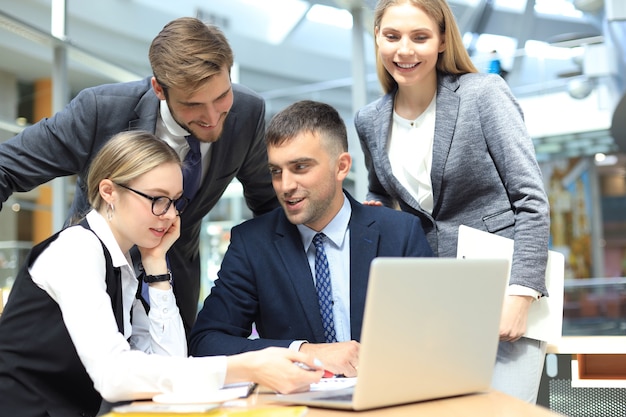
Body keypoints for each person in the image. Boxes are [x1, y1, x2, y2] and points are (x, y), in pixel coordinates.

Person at [0, 131, 323, 417]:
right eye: (157, 199)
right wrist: (242, 367)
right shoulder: (77, 250)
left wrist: (156, 264)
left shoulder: (122, 261)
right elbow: (114, 377)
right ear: (109, 191)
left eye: (174, 202)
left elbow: (171, 360)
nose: (169, 215)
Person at [0, 17, 278, 333]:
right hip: (91, 286)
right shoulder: (100, 111)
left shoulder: (248, 112)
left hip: (173, 292)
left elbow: (268, 205)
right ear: (159, 88)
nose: (213, 118)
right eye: (193, 105)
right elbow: (5, 167)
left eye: (221, 97)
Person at [354, 0, 551, 404]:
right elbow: (381, 188)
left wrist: (520, 294)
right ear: (377, 37)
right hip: (429, 303)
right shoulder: (370, 119)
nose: (404, 51)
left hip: (501, 295)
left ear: (443, 40)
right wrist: (373, 208)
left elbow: (531, 200)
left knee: (502, 412)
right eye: (392, 36)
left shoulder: (484, 94)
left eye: (420, 37)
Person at [189, 100, 433, 377]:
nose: (286, 186)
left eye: (300, 167)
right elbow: (206, 342)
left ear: (341, 167)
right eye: (276, 171)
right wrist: (304, 351)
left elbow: (435, 334)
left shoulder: (399, 234)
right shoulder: (252, 244)